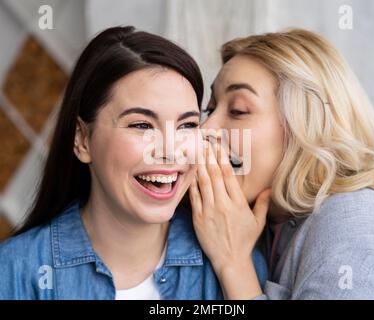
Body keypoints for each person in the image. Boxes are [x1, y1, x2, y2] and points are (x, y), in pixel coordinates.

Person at [0, 26, 268, 300]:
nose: (171, 151)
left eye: (187, 125)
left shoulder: (234, 265)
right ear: (82, 140)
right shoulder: (14, 272)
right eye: (141, 125)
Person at [190, 29, 374, 299]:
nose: (205, 129)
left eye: (238, 110)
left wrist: (233, 263)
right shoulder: (268, 216)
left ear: (305, 125)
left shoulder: (354, 216)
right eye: (210, 108)